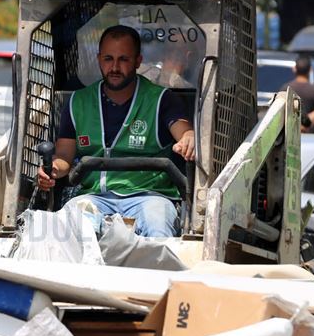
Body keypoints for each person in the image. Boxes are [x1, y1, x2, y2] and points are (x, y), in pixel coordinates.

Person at [36, 25, 195, 238]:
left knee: (158, 224)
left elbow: (184, 132)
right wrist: (52, 169)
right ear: (99, 59)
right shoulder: (78, 102)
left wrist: (189, 138)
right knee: (70, 222)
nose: (115, 67)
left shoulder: (162, 100)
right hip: (94, 197)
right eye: (109, 59)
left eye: (124, 59)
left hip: (150, 196)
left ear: (138, 61)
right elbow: (64, 156)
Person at [281, 56, 314, 133]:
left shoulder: (286, 88)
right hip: (310, 136)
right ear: (310, 70)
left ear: (294, 69)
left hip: (290, 135)